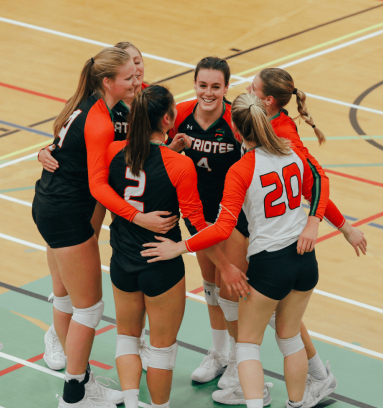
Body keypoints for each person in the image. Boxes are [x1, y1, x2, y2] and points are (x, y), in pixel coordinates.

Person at [141, 93, 330, 408]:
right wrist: (316, 222)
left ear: (237, 131)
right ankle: (298, 403)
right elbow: (321, 183)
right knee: (290, 338)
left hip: (271, 264)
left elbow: (221, 229)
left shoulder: (242, 169)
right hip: (305, 260)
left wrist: (180, 247)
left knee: (247, 346)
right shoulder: (293, 153)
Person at [32, 47, 176, 408]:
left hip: (57, 206)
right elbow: (98, 186)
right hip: (65, 212)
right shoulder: (98, 119)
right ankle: (75, 395)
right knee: (88, 308)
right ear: (108, 81)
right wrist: (138, 216)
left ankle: (82, 383)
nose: (136, 80)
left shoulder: (95, 105)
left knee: (82, 302)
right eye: (129, 77)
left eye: (137, 72)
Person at [100, 85, 245, 408]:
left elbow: (103, 187)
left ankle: (131, 402)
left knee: (127, 338)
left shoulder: (111, 152)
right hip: (162, 266)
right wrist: (225, 265)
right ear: (168, 120)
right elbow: (197, 225)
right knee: (162, 349)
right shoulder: (179, 165)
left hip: (122, 262)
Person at [166, 57, 250, 385]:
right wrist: (173, 148)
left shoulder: (235, 120)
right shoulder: (180, 114)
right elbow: (157, 150)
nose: (209, 92)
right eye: (203, 85)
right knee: (212, 288)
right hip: (197, 213)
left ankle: (239, 362)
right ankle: (220, 354)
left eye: (216, 86)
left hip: (232, 215)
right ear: (195, 84)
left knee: (231, 291)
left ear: (227, 88)